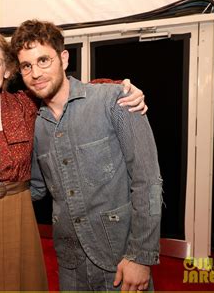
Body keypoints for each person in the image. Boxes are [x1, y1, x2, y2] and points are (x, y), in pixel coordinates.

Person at [0, 31, 147, 291]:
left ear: (7, 70)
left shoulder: (26, 105)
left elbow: (69, 91)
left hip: (20, 215)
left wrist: (124, 88)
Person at [11, 19, 163, 292]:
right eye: (26, 66)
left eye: (43, 60)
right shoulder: (34, 125)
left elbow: (147, 181)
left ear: (63, 58)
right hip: (70, 266)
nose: (36, 73)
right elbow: (35, 189)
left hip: (120, 260)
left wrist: (141, 256)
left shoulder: (115, 100)